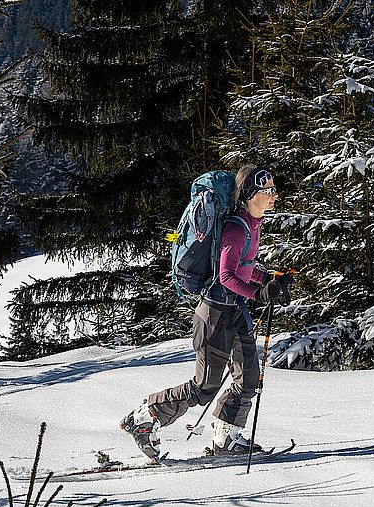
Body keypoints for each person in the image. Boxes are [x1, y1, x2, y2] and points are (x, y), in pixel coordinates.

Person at [120, 165, 293, 459]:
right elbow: (226, 276)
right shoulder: (236, 229)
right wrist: (258, 292)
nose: (274, 195)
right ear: (252, 195)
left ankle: (226, 438)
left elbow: (243, 268)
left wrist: (268, 280)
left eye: (274, 189)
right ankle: (144, 418)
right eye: (268, 191)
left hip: (234, 312)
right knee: (204, 386)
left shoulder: (252, 224)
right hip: (213, 314)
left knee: (249, 379)